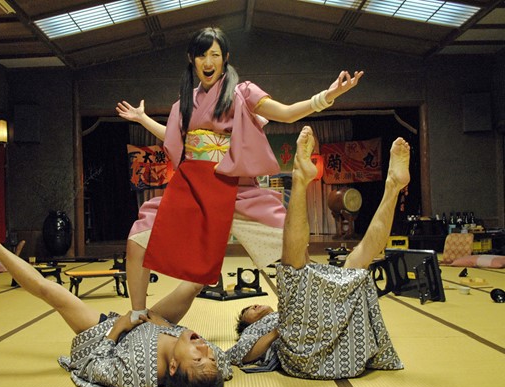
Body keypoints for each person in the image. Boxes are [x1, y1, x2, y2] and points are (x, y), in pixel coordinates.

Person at [116, 27, 364, 322]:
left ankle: (311, 316)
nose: (208, 62)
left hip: (237, 188)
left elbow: (286, 113)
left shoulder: (243, 92)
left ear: (225, 58)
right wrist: (143, 118)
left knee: (291, 244)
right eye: (202, 55)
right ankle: (138, 316)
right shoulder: (183, 103)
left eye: (215, 54)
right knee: (138, 237)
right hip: (192, 189)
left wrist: (327, 96)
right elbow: (172, 137)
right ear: (191, 59)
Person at [0, 207, 232, 387]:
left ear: (172, 367)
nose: (205, 350)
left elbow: (92, 364)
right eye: (209, 359)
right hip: (158, 323)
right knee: (196, 283)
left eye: (198, 359)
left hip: (114, 333)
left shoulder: (132, 376)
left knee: (49, 290)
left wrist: (117, 328)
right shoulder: (213, 366)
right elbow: (234, 358)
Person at [226, 126, 407, 379]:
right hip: (306, 355)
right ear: (248, 324)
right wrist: (279, 329)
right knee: (292, 273)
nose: (255, 304)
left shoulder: (281, 314)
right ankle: (300, 178)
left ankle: (393, 187)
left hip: (346, 346)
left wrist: (284, 319)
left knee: (358, 261)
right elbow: (240, 355)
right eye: (250, 310)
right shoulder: (257, 331)